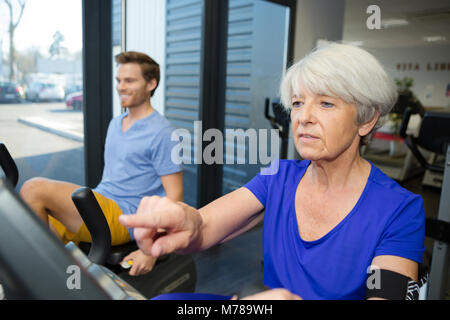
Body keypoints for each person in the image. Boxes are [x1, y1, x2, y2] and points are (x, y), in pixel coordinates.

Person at [119, 43, 426, 300]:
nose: (303, 117)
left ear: (367, 119)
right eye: (297, 102)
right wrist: (187, 222)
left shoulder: (399, 210)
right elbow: (205, 224)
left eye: (326, 104)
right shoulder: (278, 177)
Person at [20, 51, 183, 277]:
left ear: (151, 84)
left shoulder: (164, 133)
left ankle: (52, 278)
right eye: (118, 80)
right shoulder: (116, 124)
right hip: (101, 203)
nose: (121, 87)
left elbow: (175, 198)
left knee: (34, 189)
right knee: (26, 229)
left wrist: (151, 251)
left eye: (129, 81)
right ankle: (57, 282)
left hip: (125, 216)